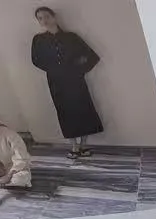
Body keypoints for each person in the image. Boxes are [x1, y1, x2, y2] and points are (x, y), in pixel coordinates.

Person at [31, 6, 101, 159]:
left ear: (54, 16)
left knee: (83, 109)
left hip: (75, 80)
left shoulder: (71, 37)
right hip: (56, 82)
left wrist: (79, 70)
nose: (44, 20)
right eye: (40, 18)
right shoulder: (38, 40)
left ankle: (83, 145)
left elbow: (93, 57)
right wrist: (55, 69)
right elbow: (36, 60)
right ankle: (74, 146)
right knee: (65, 112)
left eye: (46, 16)